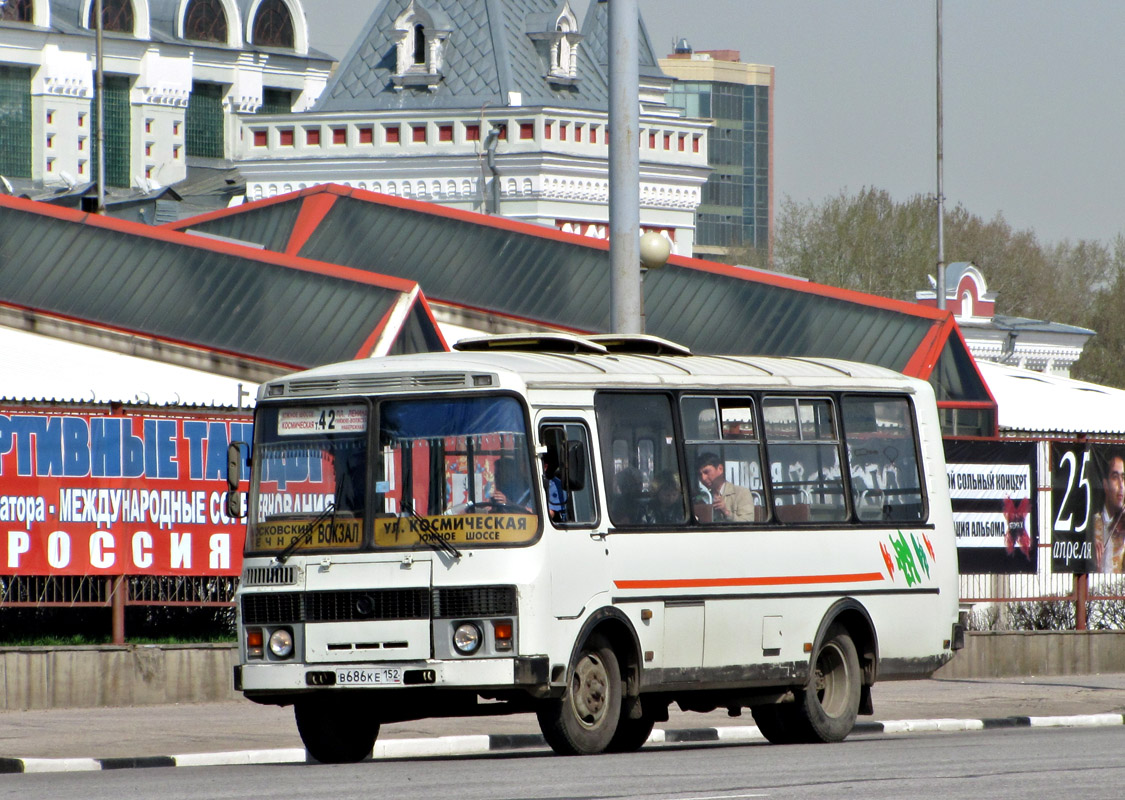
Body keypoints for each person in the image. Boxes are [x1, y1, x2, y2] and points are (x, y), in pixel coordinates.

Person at [695, 452, 755, 522]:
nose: (703, 478)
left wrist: (726, 512)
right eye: (700, 475)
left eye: (707, 472)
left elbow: (748, 523)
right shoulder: (702, 498)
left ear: (720, 469)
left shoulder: (741, 493)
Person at [1093, 451, 1125, 573]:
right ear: (1105, 484)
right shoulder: (1093, 523)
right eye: (1115, 477)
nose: (1121, 486)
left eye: (1124, 478)